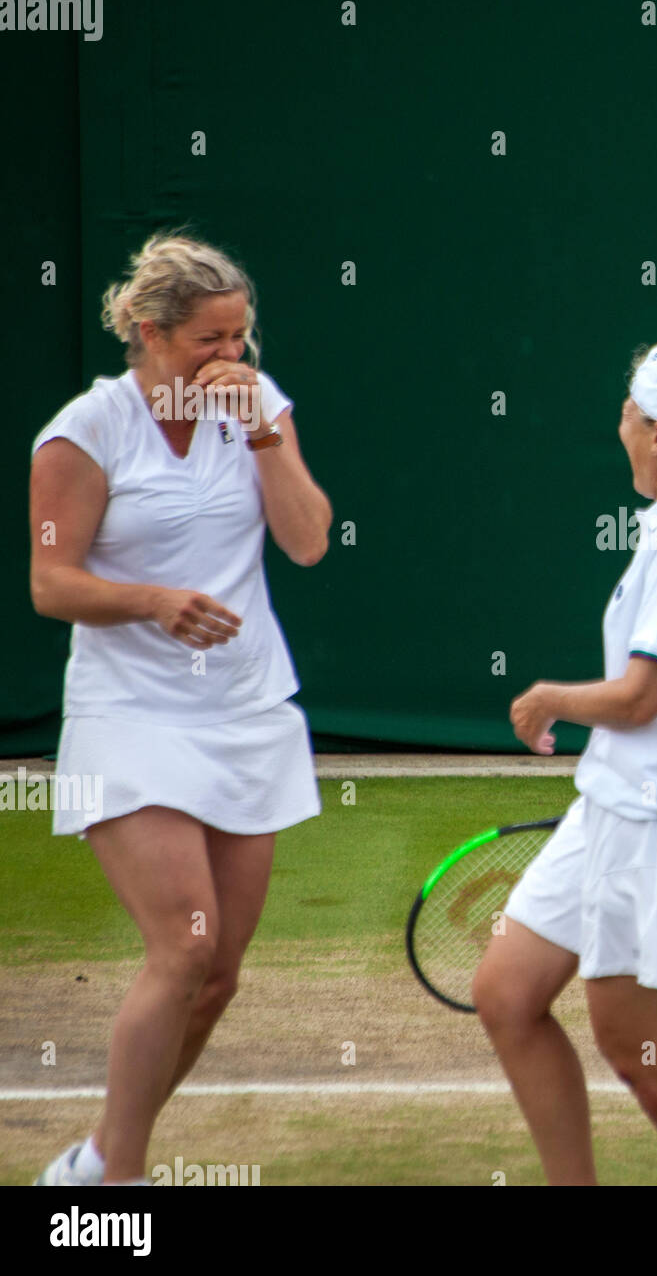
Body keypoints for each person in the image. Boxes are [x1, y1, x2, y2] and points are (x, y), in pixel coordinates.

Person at [30, 233, 331, 1186]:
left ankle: (100, 1161)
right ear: (151, 334)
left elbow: (309, 542)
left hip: (245, 713)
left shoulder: (260, 405)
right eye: (213, 339)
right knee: (185, 943)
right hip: (126, 717)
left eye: (242, 336)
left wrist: (267, 436)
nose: (233, 357)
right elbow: (51, 581)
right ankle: (118, 1189)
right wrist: (154, 602)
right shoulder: (84, 432)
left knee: (219, 972)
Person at [472, 343, 657, 1186]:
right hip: (611, 807)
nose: (619, 424)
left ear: (656, 435)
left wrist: (547, 700)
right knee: (506, 993)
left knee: (640, 1050)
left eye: (627, 411)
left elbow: (644, 698)